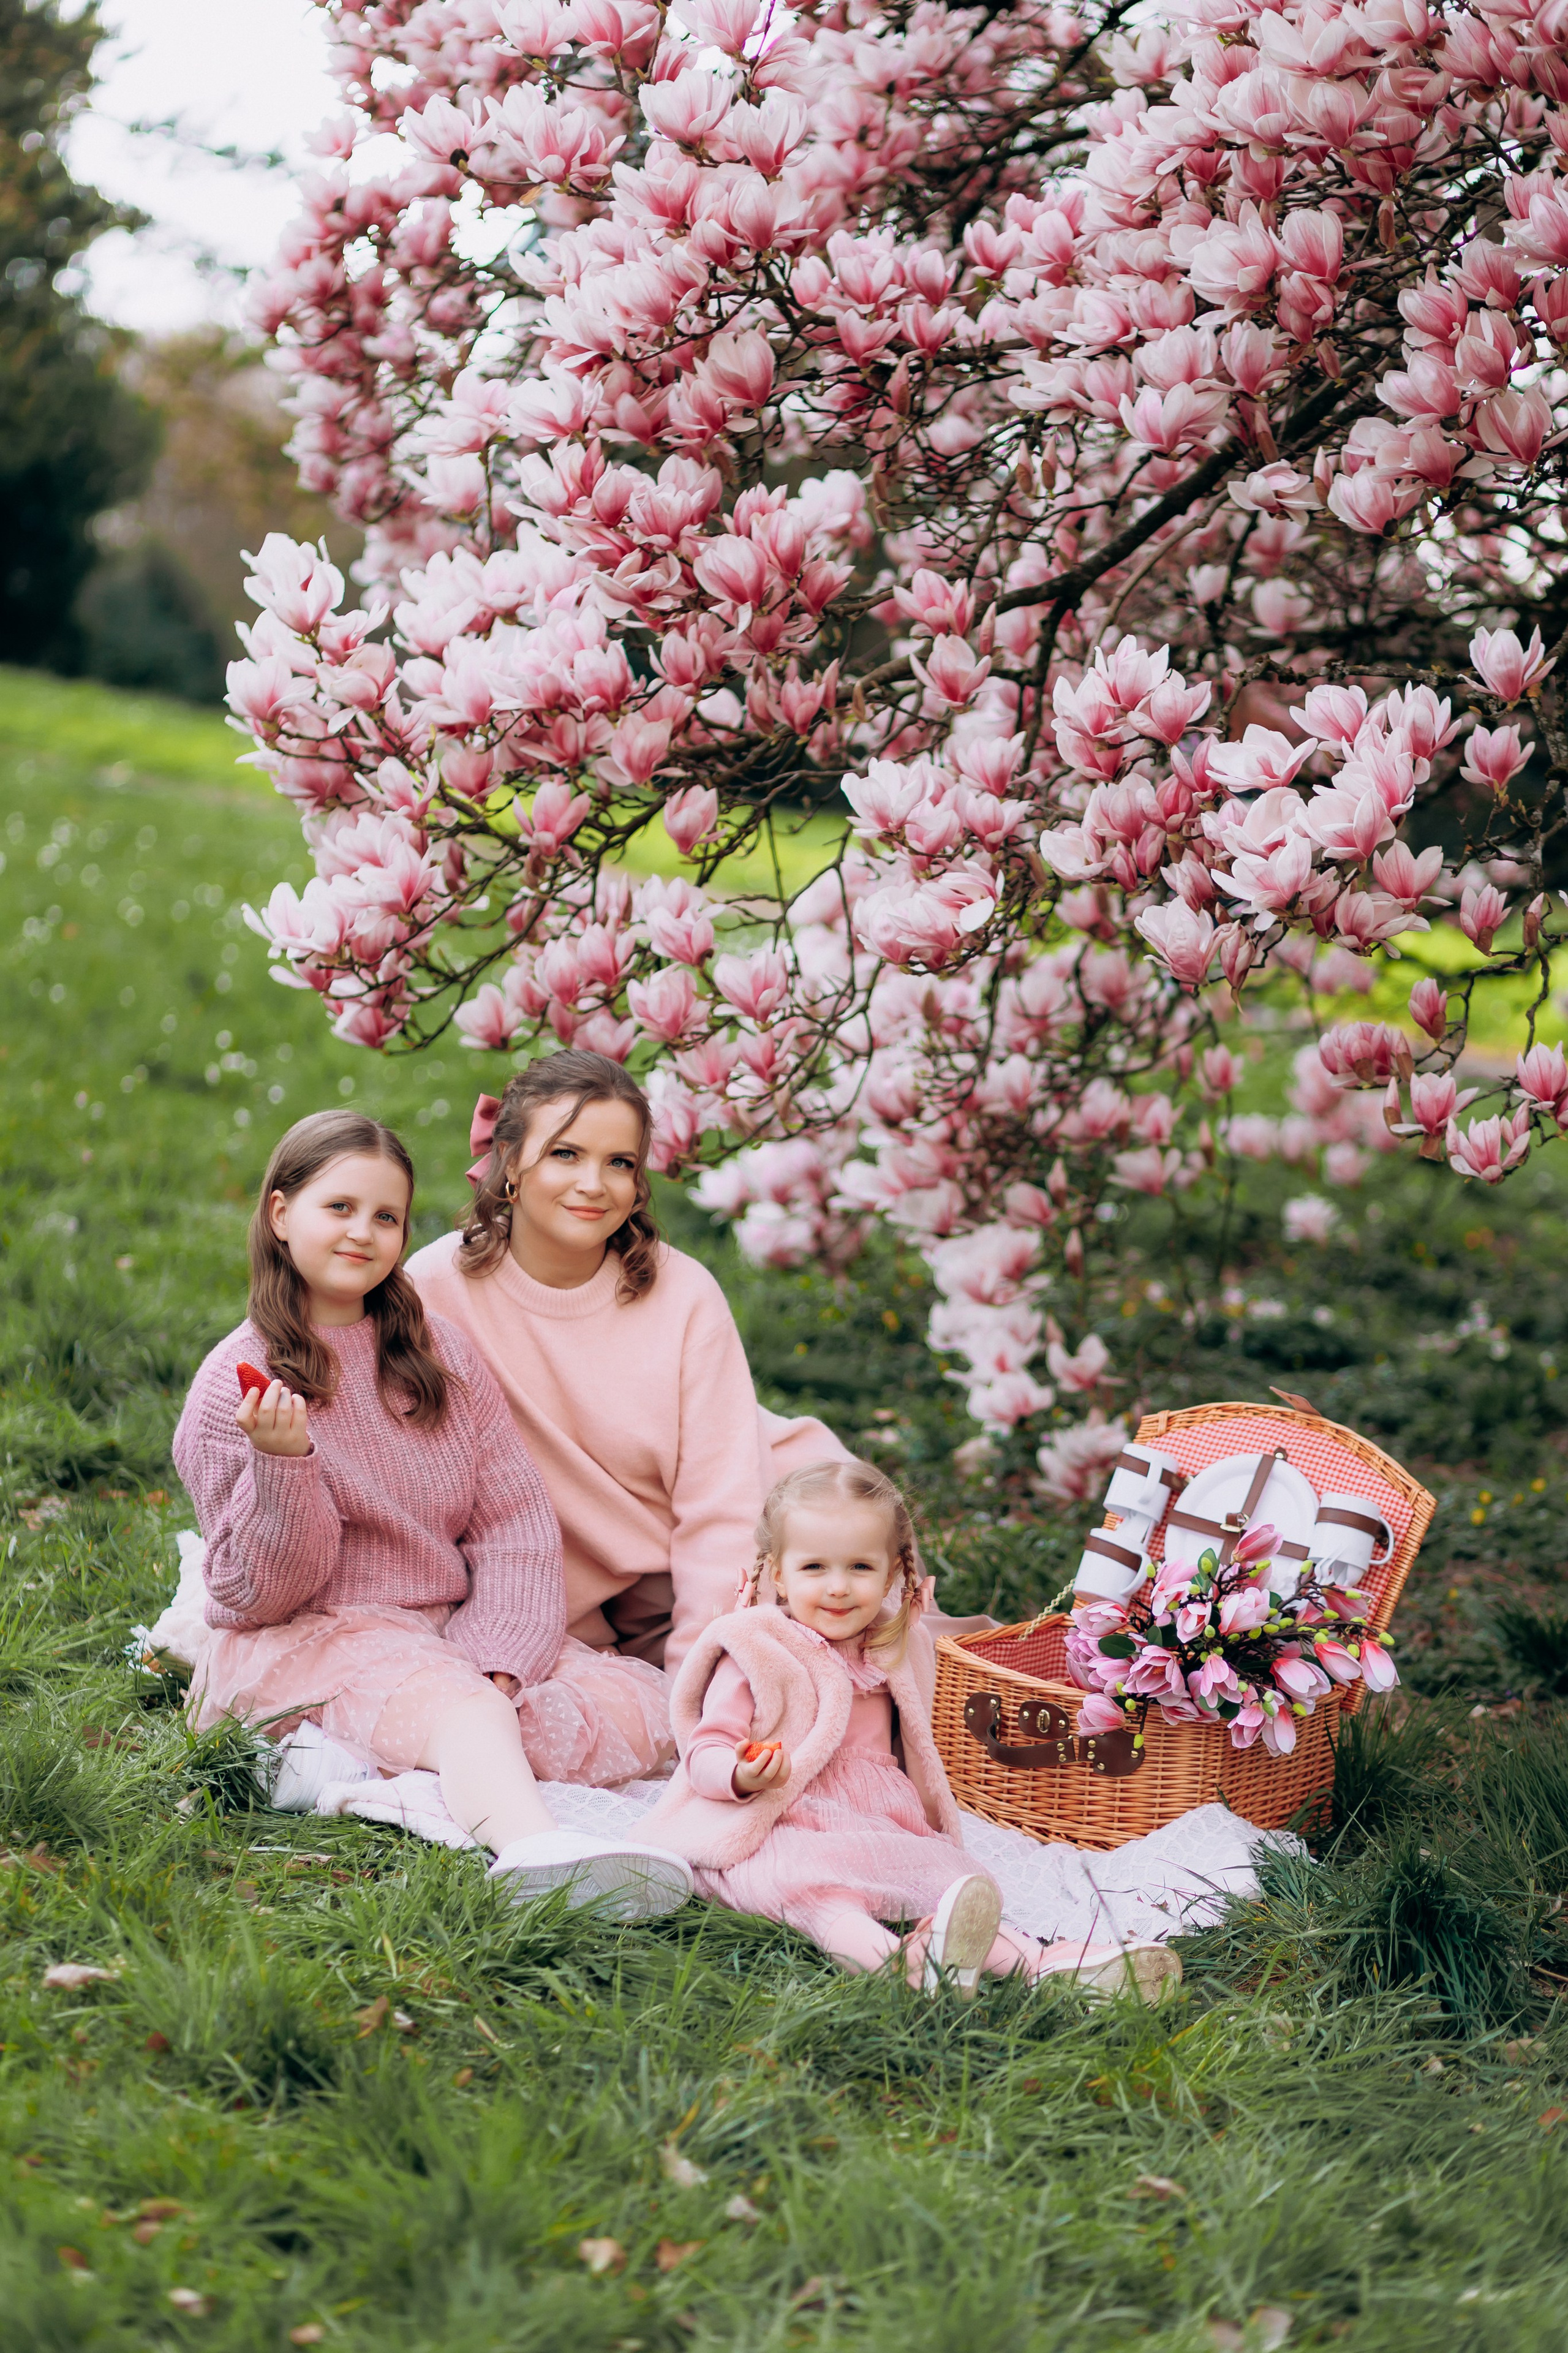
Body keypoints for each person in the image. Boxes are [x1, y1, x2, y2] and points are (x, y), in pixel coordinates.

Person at [171, 1108, 693, 1919]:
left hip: (442, 1626)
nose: (363, 1233)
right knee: (469, 1715)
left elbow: (512, 1519)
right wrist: (282, 1464)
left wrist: (497, 1656)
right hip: (308, 1633)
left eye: (386, 1216)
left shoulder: (436, 1353)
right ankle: (533, 1850)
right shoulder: (236, 1383)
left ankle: (374, 1763)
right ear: (281, 1215)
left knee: (636, 1706)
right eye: (338, 1208)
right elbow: (261, 1592)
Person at [405, 1052, 850, 1713]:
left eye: (619, 1163)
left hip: (761, 1528)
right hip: (577, 1578)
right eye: (565, 1154)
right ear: (509, 1160)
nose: (593, 1183)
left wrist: (700, 1682)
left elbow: (722, 1509)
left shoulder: (682, 1294)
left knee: (826, 1691)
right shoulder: (435, 1287)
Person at [641, 1459, 1183, 1996]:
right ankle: (901, 1967)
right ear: (778, 1573)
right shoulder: (761, 1651)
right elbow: (706, 1745)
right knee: (811, 1888)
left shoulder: (894, 1651)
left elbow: (915, 1744)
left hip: (877, 1817)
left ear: (893, 1574)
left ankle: (1045, 1964)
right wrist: (741, 1774)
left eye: (859, 1567)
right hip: (781, 1813)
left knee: (947, 1880)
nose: (837, 1587)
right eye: (814, 1569)